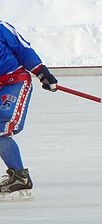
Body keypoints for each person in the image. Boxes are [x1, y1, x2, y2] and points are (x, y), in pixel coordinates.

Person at [0, 20, 57, 196]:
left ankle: (20, 177)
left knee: (1, 128)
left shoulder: (1, 27)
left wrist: (43, 73)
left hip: (14, 81)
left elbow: (23, 49)